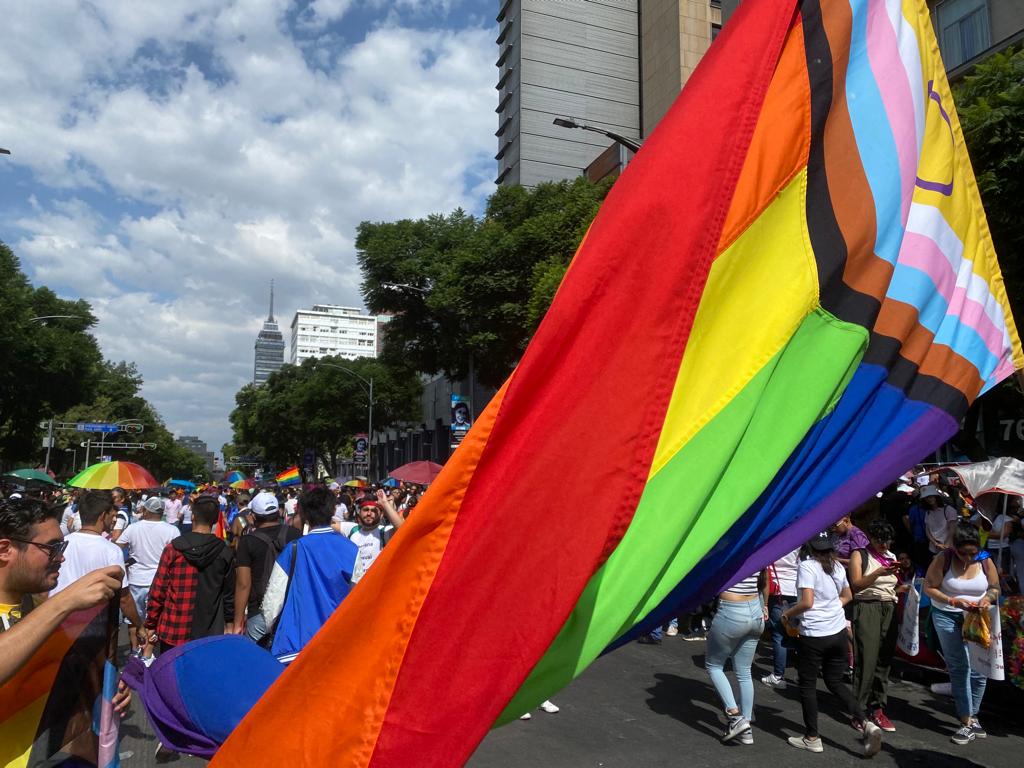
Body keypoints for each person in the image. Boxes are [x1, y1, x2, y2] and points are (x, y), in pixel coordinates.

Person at [0, 495, 130, 767]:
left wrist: (100, 692)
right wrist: (66, 600)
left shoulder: (34, 604)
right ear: (5, 549)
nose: (61, 556)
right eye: (52, 547)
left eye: (63, 544)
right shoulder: (52, 608)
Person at [782, 532, 882, 757]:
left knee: (807, 686)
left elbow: (806, 602)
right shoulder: (837, 566)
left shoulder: (807, 566)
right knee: (834, 681)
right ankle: (866, 722)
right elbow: (848, 595)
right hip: (837, 632)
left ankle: (812, 737)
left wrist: (787, 614)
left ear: (811, 549)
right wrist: (832, 607)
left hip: (814, 634)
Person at [923, 521, 1000, 745]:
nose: (968, 558)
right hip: (947, 615)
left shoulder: (985, 559)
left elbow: (995, 587)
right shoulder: (943, 558)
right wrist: (952, 600)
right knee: (960, 666)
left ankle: (973, 715)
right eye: (963, 553)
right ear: (954, 548)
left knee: (980, 669)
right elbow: (929, 587)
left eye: (972, 553)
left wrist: (987, 599)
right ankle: (966, 721)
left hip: (977, 618)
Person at [261, 486, 357, 663]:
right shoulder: (352, 549)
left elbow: (272, 603)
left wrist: (272, 629)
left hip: (295, 647)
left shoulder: (293, 549)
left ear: (304, 514)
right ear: (333, 511)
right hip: (337, 646)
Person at [142, 495, 235, 655]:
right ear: (215, 521)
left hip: (174, 629)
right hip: (209, 631)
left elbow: (158, 591)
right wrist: (229, 623)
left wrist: (151, 623)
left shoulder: (174, 549)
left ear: (192, 516)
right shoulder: (224, 551)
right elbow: (229, 594)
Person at [51, 490, 145, 648]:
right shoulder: (111, 550)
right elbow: (124, 597)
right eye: (112, 515)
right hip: (91, 626)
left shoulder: (63, 543)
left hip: (57, 619)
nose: (114, 520)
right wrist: (139, 625)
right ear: (103, 515)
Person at [848, 519, 902, 732]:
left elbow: (892, 586)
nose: (885, 546)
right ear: (871, 538)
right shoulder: (860, 555)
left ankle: (878, 708)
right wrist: (879, 573)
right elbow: (857, 584)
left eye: (887, 542)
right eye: (880, 542)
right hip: (867, 606)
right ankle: (859, 710)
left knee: (884, 660)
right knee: (866, 659)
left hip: (888, 607)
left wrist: (902, 588)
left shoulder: (891, 557)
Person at [704, 570, 767, 745]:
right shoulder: (758, 549)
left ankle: (735, 717)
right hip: (756, 609)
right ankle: (745, 728)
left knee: (714, 666)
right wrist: (765, 606)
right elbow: (765, 579)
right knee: (744, 671)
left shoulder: (730, 548)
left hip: (732, 610)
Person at [232, 491, 300, 644]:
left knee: (259, 662)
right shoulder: (296, 534)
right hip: (292, 609)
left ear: (254, 517)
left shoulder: (247, 541)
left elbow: (243, 584)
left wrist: (237, 622)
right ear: (279, 512)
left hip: (260, 612)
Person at [116, 496, 179, 623]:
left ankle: (135, 643)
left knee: (134, 620)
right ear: (162, 512)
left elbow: (117, 547)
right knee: (156, 619)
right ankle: (149, 643)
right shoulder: (173, 530)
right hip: (160, 581)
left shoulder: (133, 528)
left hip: (136, 579)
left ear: (145, 510)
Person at [337, 490, 404, 583]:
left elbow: (402, 528)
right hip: (354, 587)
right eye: (365, 510)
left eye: (373, 511)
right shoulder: (352, 529)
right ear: (359, 512)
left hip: (375, 585)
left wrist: (385, 503)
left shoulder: (384, 532)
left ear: (381, 515)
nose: (369, 513)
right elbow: (326, 524)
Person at [762, 548, 800, 689]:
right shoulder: (799, 540)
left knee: (779, 635)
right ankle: (802, 674)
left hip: (778, 591)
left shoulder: (777, 541)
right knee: (797, 634)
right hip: (796, 590)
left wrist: (765, 604)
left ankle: (778, 676)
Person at [922, 486, 958, 555]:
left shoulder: (948, 509)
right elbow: (927, 530)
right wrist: (935, 543)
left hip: (948, 547)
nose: (929, 499)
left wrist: (946, 545)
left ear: (936, 497)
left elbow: (953, 529)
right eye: (926, 498)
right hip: (934, 548)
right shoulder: (928, 512)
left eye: (931, 497)